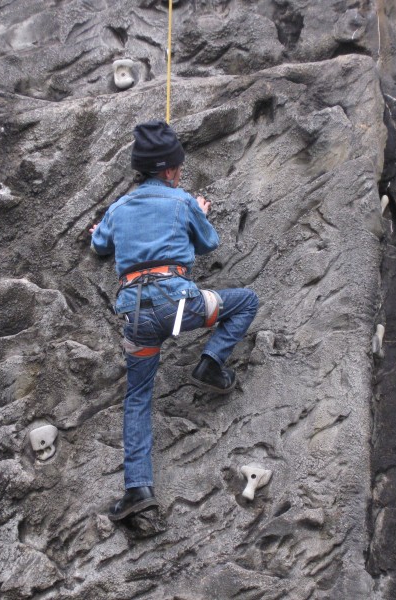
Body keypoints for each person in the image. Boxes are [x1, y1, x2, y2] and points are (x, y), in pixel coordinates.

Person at [90, 120, 259, 521]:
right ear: (168, 170)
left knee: (137, 398)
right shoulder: (181, 201)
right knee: (245, 301)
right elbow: (209, 243)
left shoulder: (117, 209)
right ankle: (212, 362)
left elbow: (99, 244)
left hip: (135, 314)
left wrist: (101, 231)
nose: (180, 172)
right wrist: (199, 211)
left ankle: (138, 490)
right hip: (180, 305)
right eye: (178, 166)